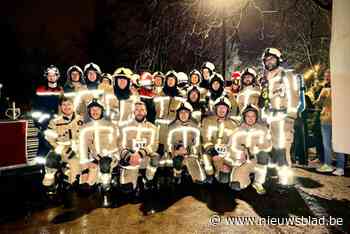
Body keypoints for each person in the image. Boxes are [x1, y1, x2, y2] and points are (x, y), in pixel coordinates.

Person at [261, 47, 300, 186]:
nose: (269, 61)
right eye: (266, 60)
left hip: (284, 118)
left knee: (284, 149)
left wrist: (290, 116)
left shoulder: (286, 75)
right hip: (271, 120)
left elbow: (294, 96)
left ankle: (287, 182)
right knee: (275, 149)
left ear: (278, 59)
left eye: (272, 59)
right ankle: (278, 177)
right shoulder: (265, 79)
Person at [42, 97, 83, 206]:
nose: (67, 107)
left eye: (69, 104)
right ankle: (51, 186)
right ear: (60, 107)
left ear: (73, 106)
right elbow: (49, 139)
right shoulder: (55, 122)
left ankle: (72, 184)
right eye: (64, 105)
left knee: (75, 180)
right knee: (50, 161)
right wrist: (58, 148)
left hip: (78, 152)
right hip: (61, 150)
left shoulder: (81, 120)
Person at [79, 99, 119, 206]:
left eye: (97, 109)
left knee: (105, 164)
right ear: (89, 111)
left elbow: (115, 143)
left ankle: (106, 189)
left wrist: (103, 154)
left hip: (109, 155)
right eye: (92, 109)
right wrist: (85, 166)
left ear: (102, 111)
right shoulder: (84, 128)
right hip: (94, 158)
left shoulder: (110, 126)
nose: (95, 112)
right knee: (85, 187)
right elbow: (82, 147)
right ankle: (93, 182)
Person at [118, 101, 159, 198]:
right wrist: (128, 156)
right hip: (130, 160)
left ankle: (148, 178)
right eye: (137, 110)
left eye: (142, 110)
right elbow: (120, 145)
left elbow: (153, 145)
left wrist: (140, 154)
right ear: (133, 112)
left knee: (156, 158)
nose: (139, 112)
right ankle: (132, 178)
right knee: (127, 190)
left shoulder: (152, 128)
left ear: (146, 112)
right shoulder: (125, 127)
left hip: (145, 158)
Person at [227, 105, 272, 194]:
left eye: (253, 116)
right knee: (235, 185)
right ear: (244, 117)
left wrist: (257, 148)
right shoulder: (237, 131)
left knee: (264, 155)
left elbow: (269, 145)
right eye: (248, 116)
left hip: (257, 159)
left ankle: (258, 182)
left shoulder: (263, 130)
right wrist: (240, 154)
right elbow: (231, 148)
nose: (250, 119)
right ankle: (246, 178)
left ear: (256, 117)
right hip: (243, 161)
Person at [166, 102, 206, 184]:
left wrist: (188, 150)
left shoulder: (195, 127)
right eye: (181, 112)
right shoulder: (172, 127)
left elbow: (198, 145)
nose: (183, 114)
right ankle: (177, 174)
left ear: (190, 114)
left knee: (201, 180)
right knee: (177, 161)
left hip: (191, 155)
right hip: (177, 156)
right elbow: (168, 144)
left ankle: (190, 173)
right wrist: (175, 151)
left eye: (186, 112)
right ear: (177, 114)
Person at [201, 97, 238, 184]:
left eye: (224, 107)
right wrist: (213, 152)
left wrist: (228, 154)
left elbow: (234, 143)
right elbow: (206, 140)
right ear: (215, 109)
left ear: (228, 110)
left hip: (224, 153)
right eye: (219, 107)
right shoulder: (207, 121)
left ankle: (219, 172)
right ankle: (209, 174)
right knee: (207, 164)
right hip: (210, 152)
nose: (222, 110)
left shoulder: (233, 124)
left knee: (224, 178)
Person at [316, 69, 345, 176]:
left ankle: (340, 167)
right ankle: (328, 164)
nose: (326, 77)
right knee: (326, 144)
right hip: (325, 119)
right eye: (326, 75)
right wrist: (320, 100)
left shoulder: (341, 88)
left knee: (338, 144)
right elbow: (319, 103)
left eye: (328, 75)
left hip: (338, 120)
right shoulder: (324, 88)